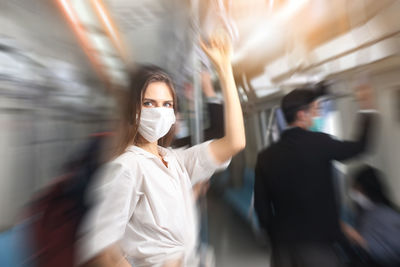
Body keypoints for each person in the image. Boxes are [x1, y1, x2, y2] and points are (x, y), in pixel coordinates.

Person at [77, 33, 245, 267]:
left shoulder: (175, 160)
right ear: (133, 111)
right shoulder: (127, 167)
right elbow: (106, 252)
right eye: (149, 103)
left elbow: (234, 142)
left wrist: (225, 70)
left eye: (167, 104)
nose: (159, 111)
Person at [254, 85, 377, 267]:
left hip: (282, 248)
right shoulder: (320, 143)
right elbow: (361, 147)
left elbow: (261, 209)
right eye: (314, 110)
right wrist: (366, 107)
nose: (316, 114)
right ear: (302, 115)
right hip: (318, 247)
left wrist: (276, 237)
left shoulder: (265, 157)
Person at [342, 165, 400, 267]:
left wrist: (357, 238)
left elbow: (392, 250)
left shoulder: (386, 214)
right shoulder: (364, 213)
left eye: (356, 188)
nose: (354, 192)